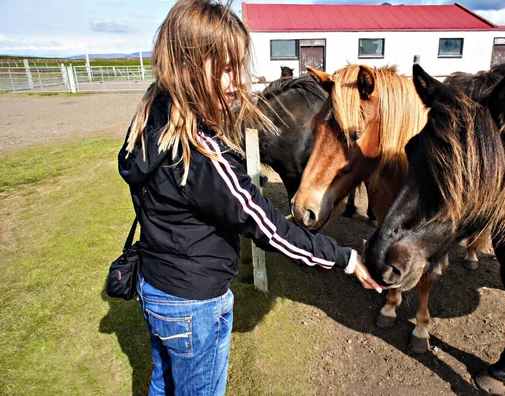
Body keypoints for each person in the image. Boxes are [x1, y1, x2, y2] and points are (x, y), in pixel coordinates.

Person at [118, 1, 384, 394]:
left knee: (164, 383)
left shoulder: (150, 119)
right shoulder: (201, 154)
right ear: (189, 66)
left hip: (157, 288)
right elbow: (269, 229)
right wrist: (344, 258)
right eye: (224, 68)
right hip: (195, 304)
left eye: (236, 67)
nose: (236, 81)